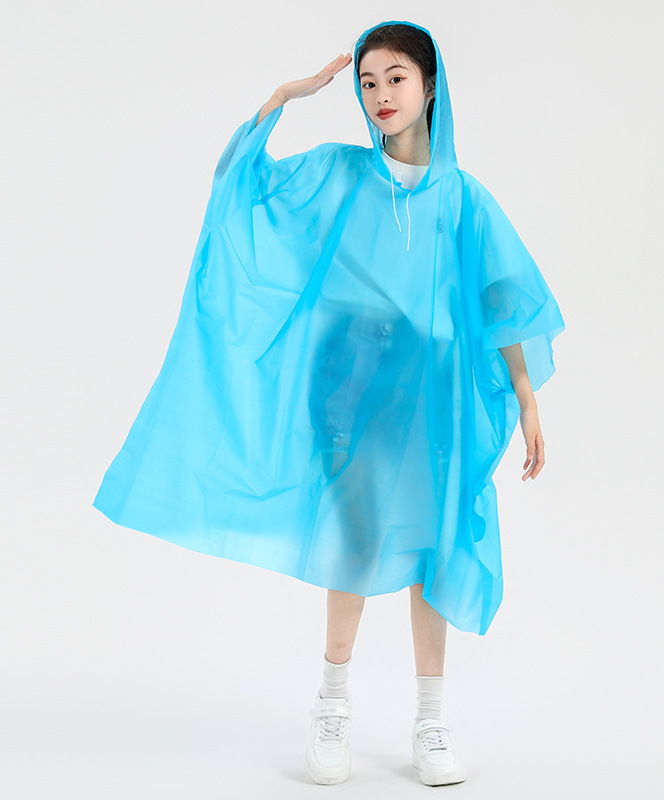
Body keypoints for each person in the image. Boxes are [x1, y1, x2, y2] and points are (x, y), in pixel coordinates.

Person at [93, 19, 564, 789]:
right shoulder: (340, 174)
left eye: (396, 78)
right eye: (368, 82)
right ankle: (332, 704)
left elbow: (502, 300)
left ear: (431, 85)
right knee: (356, 537)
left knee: (435, 546)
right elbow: (240, 182)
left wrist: (526, 397)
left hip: (434, 390)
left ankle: (431, 720)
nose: (381, 94)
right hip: (351, 379)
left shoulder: (464, 199)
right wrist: (284, 96)